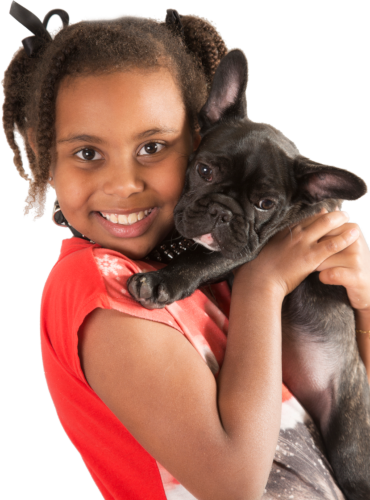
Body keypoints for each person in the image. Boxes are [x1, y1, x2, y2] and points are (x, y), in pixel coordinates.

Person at [3, 2, 370, 499]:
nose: (123, 184)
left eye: (152, 147)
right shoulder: (96, 289)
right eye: (87, 154)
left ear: (199, 141)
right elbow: (232, 485)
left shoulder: (194, 265)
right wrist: (265, 283)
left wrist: (362, 307)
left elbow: (346, 410)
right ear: (46, 158)